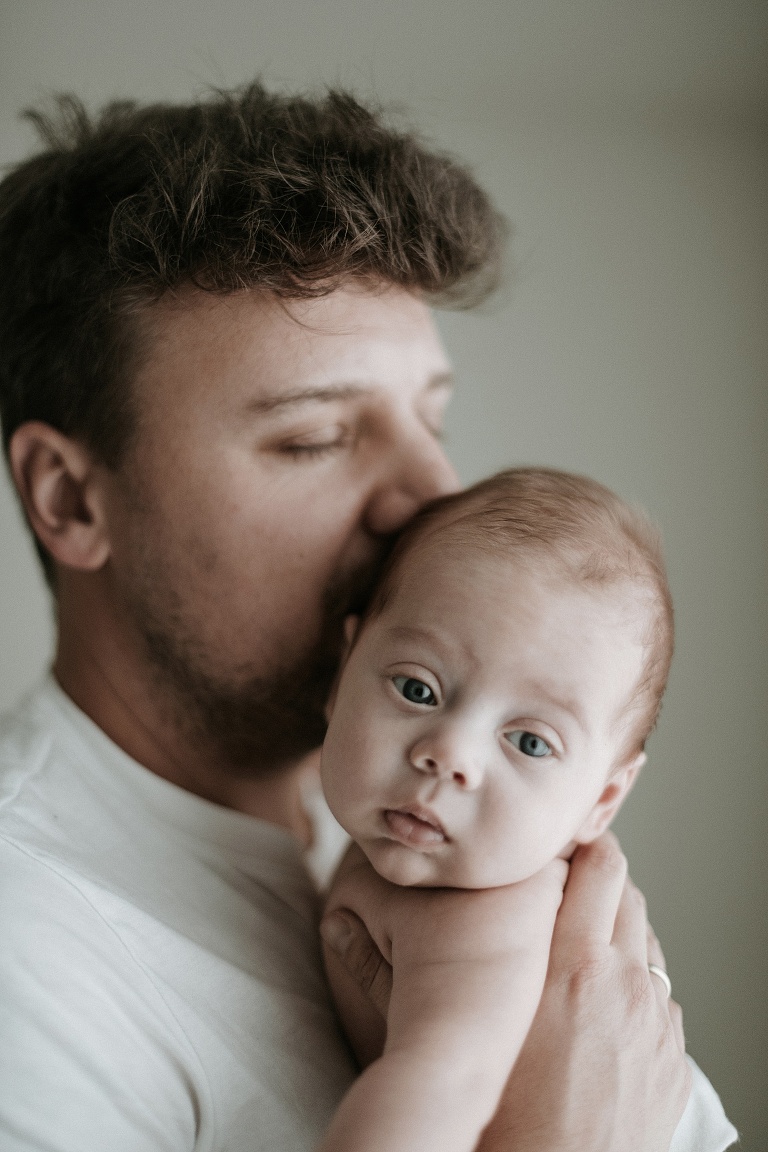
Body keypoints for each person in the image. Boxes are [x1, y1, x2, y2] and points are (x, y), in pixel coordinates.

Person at [0, 82, 728, 1150]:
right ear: (72, 498)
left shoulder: (435, 826)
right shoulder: (32, 949)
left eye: (431, 422)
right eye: (316, 438)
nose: (434, 495)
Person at [318, 468, 737, 1152]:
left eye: (530, 742)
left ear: (602, 800)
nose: (449, 753)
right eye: (418, 689)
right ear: (342, 675)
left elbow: (440, 1084)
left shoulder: (485, 920)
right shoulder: (378, 836)